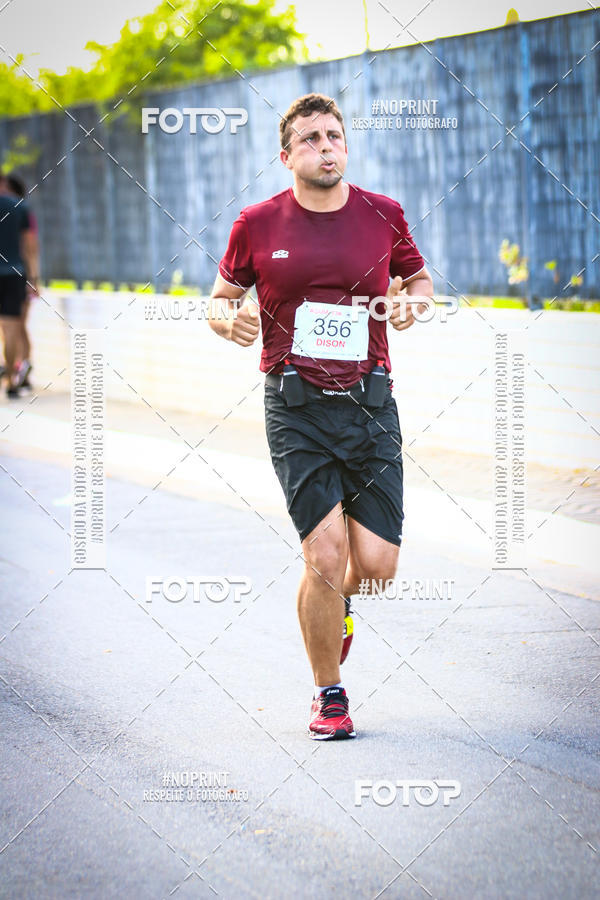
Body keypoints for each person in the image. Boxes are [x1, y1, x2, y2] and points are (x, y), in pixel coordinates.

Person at [208, 93, 433, 740]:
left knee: (378, 564)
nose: (326, 146)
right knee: (325, 554)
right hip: (295, 403)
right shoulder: (257, 223)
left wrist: (416, 304)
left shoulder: (383, 214)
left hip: (371, 403)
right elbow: (220, 302)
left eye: (334, 135)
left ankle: (342, 613)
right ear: (287, 156)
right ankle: (329, 693)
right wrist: (233, 321)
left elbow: (419, 281)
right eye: (310, 139)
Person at [0, 173, 39, 397]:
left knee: (6, 329)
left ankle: (9, 373)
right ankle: (12, 382)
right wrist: (33, 278)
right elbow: (30, 246)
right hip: (15, 273)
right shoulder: (20, 208)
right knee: (13, 327)